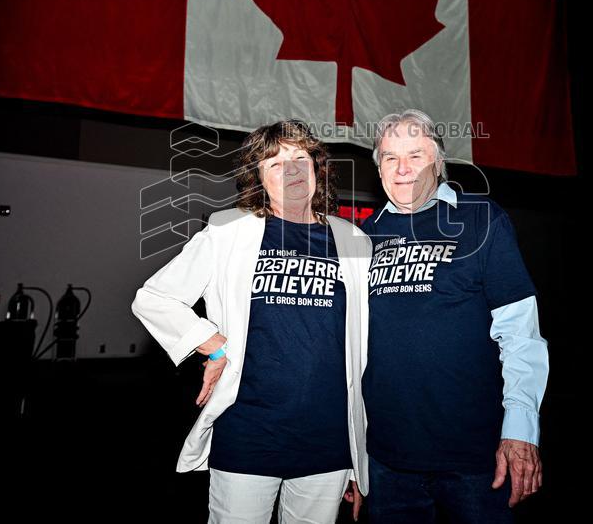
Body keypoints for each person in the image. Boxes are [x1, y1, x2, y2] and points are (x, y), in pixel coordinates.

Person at [132, 119, 372, 524]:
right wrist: (212, 343)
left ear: (317, 167)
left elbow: (363, 347)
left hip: (328, 438)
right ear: (257, 178)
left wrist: (358, 460)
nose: (292, 170)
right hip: (249, 430)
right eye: (275, 163)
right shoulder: (229, 233)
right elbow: (154, 298)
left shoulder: (353, 240)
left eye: (300, 158)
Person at [360, 109, 549, 523]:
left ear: (439, 163)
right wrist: (354, 457)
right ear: (379, 170)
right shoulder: (364, 236)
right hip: (388, 460)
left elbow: (521, 335)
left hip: (476, 459)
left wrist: (519, 430)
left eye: (416, 155)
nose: (403, 168)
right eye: (390, 157)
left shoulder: (481, 219)